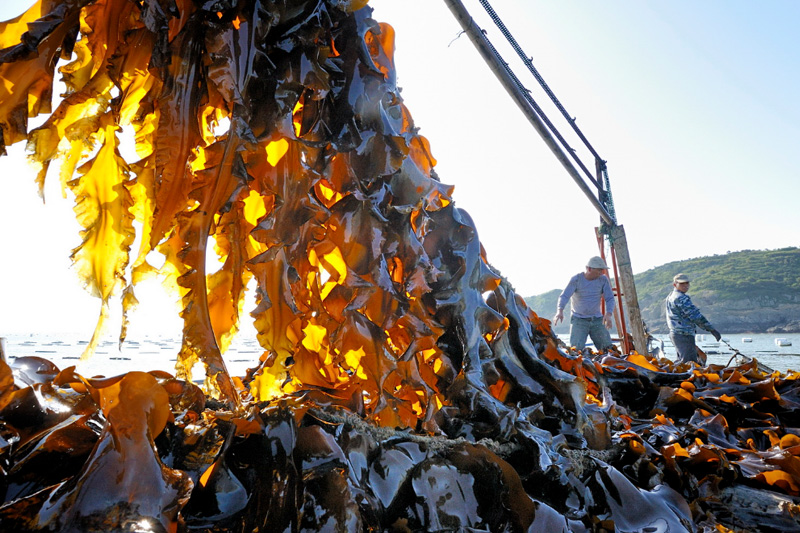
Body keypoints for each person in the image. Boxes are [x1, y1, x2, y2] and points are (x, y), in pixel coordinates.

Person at [553, 256, 615, 353]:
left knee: (608, 349)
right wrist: (560, 311)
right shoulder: (576, 279)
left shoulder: (603, 280)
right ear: (589, 269)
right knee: (576, 350)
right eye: (599, 270)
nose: (601, 272)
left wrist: (608, 314)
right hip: (579, 320)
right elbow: (564, 296)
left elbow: (610, 298)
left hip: (597, 319)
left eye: (602, 270)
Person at [665, 273, 721, 364]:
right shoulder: (681, 298)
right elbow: (695, 316)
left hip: (675, 334)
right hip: (684, 335)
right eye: (682, 283)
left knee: (682, 363)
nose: (685, 286)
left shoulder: (670, 296)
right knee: (690, 364)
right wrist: (712, 330)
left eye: (687, 283)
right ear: (675, 284)